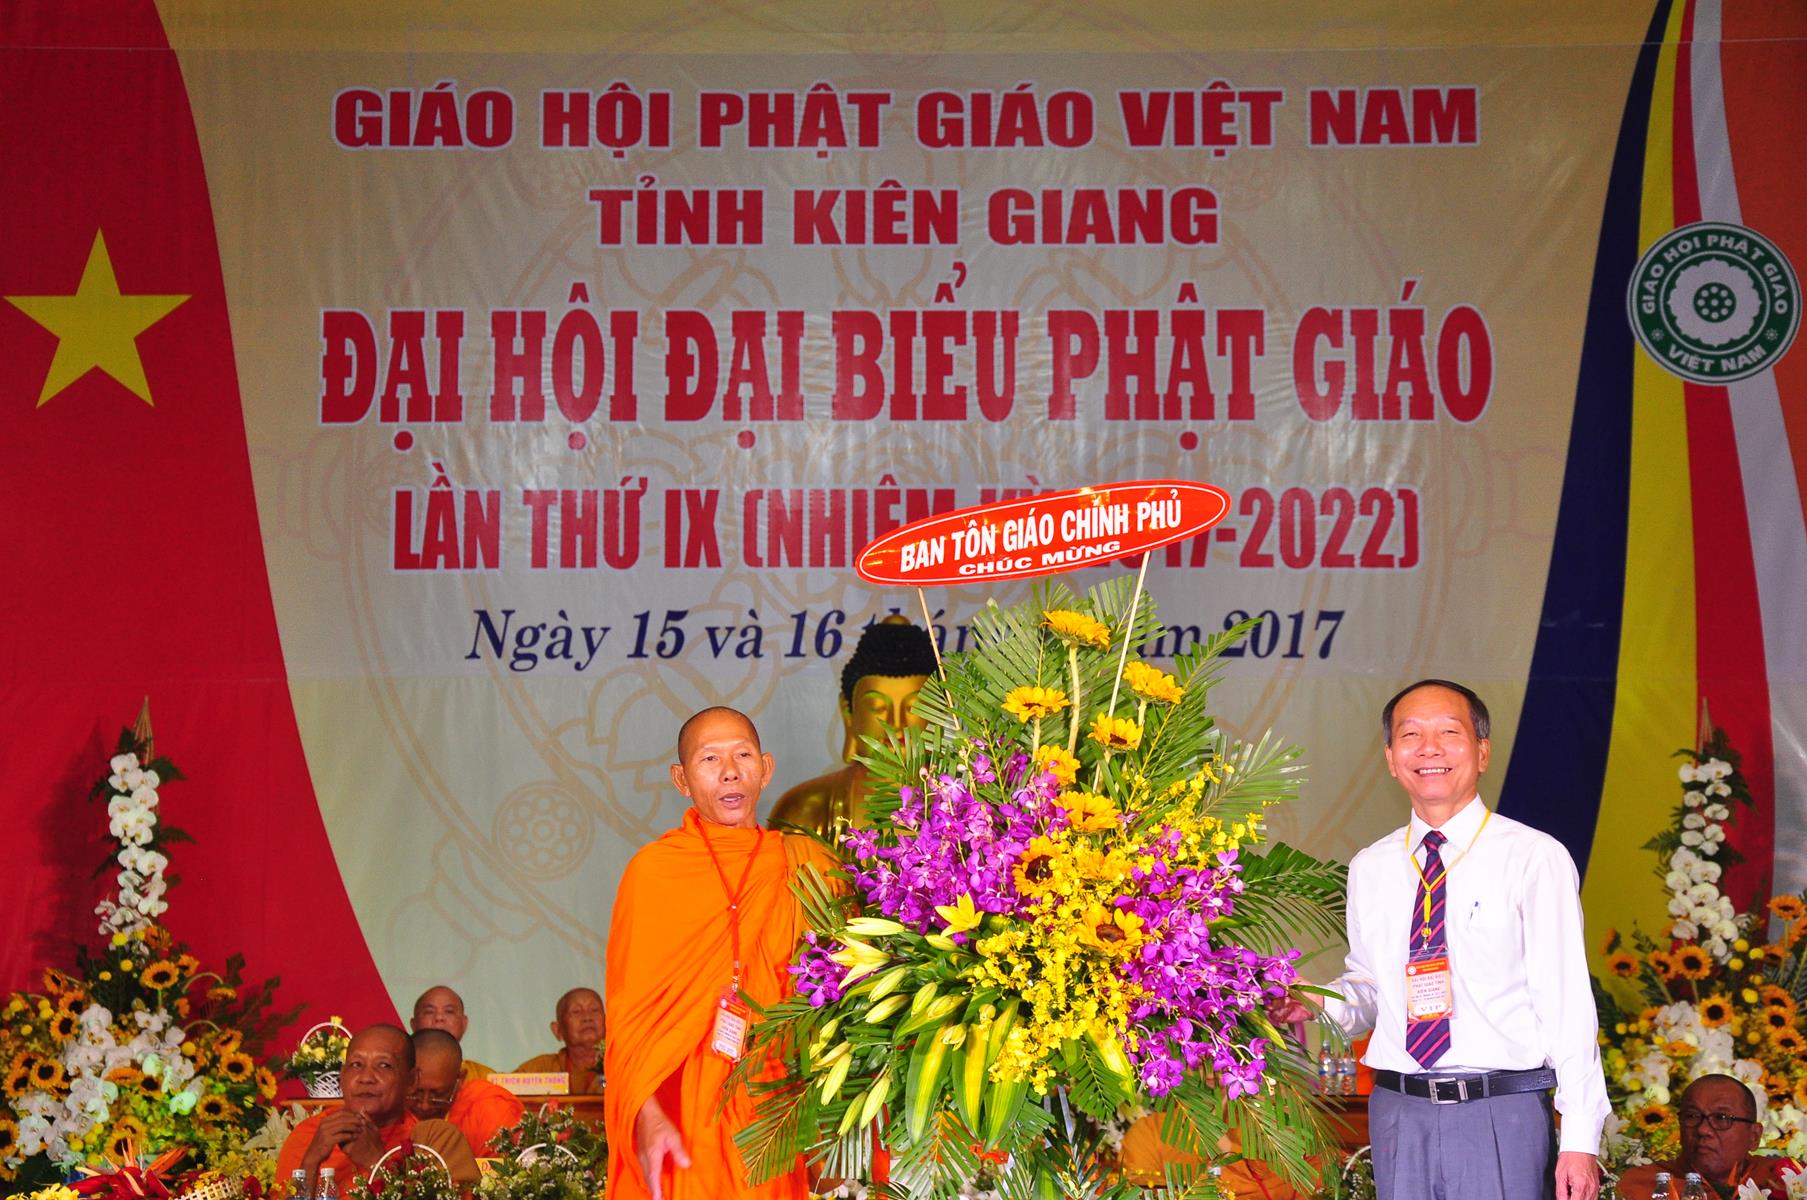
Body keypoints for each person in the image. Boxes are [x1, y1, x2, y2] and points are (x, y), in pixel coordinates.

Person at [1270, 680, 1610, 1200]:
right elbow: (1372, 988)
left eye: (1449, 732)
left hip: (1499, 1111)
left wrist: (1581, 1138)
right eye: (1411, 735)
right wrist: (1314, 1002)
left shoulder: (1533, 857)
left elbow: (1566, 1002)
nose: (1429, 748)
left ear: (1482, 751)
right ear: (1391, 758)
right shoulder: (1371, 866)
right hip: (1399, 1113)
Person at [604, 706, 839, 1200]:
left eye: (743, 755)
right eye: (709, 759)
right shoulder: (654, 874)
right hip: (688, 1109)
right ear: (681, 779)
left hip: (776, 1100)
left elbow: (852, 987)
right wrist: (646, 1116)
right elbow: (629, 1018)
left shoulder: (809, 865)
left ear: (766, 769)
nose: (730, 771)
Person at [767, 616, 935, 842]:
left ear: (940, 713)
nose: (896, 722)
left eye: (913, 706)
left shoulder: (966, 808)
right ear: (849, 713)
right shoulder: (804, 810)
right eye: (878, 707)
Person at [274, 1024, 479, 1198]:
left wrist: (375, 1161)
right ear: (342, 1076)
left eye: (384, 1065)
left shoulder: (435, 1139)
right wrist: (310, 1163)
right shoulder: (309, 1135)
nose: (366, 1078)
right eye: (356, 1064)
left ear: (411, 1080)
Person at [1616, 1074, 1801, 1199]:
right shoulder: (1643, 1184)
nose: (1703, 1130)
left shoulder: (1785, 1179)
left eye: (1721, 1118)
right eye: (1692, 1116)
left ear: (1754, 1136)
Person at [411, 1027, 525, 1158]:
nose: (424, 1105)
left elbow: (498, 1169)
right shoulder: (394, 1105)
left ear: (460, 1078)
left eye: (438, 1095)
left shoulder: (488, 1109)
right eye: (415, 1094)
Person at [515, 986, 606, 1094]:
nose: (587, 1017)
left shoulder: (621, 1066)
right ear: (558, 1030)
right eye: (576, 1012)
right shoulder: (541, 1069)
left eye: (595, 1010)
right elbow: (503, 1092)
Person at [410, 984, 496, 1081]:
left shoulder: (484, 1077)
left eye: (449, 1011)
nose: (439, 1017)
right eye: (429, 1012)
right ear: (414, 1024)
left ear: (464, 1023)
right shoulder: (401, 1074)